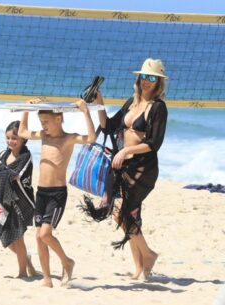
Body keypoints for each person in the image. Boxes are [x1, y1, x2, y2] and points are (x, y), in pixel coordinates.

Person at [94, 58, 168, 280]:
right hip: (124, 167)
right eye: (144, 76)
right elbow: (108, 126)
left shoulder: (158, 108)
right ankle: (140, 268)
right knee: (132, 213)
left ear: (159, 82)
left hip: (143, 169)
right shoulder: (131, 103)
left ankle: (148, 254)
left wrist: (126, 152)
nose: (146, 81)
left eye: (152, 78)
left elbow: (154, 144)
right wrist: (99, 103)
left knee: (121, 212)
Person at [19, 99, 96, 287]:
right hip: (41, 192)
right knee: (38, 236)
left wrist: (85, 112)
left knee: (45, 234)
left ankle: (67, 262)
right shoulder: (44, 137)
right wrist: (27, 109)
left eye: (45, 122)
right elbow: (22, 132)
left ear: (59, 118)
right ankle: (47, 278)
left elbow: (91, 138)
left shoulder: (68, 138)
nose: (42, 126)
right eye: (41, 122)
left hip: (57, 194)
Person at [0, 121, 36, 278]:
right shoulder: (3, 155)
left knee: (18, 237)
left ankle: (22, 272)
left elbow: (19, 176)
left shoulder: (26, 157)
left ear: (23, 139)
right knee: (5, 236)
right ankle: (27, 261)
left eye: (14, 138)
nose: (10, 141)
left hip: (18, 203)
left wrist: (4, 172)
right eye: (8, 137)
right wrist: (6, 173)